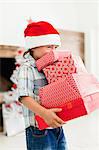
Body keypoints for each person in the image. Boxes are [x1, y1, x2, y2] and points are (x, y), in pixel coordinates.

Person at [17, 21, 68, 150]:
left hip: (55, 125)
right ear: (34, 46)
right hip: (38, 130)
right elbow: (24, 97)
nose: (53, 52)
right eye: (49, 47)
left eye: (55, 48)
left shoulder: (50, 66)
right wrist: (44, 113)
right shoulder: (27, 68)